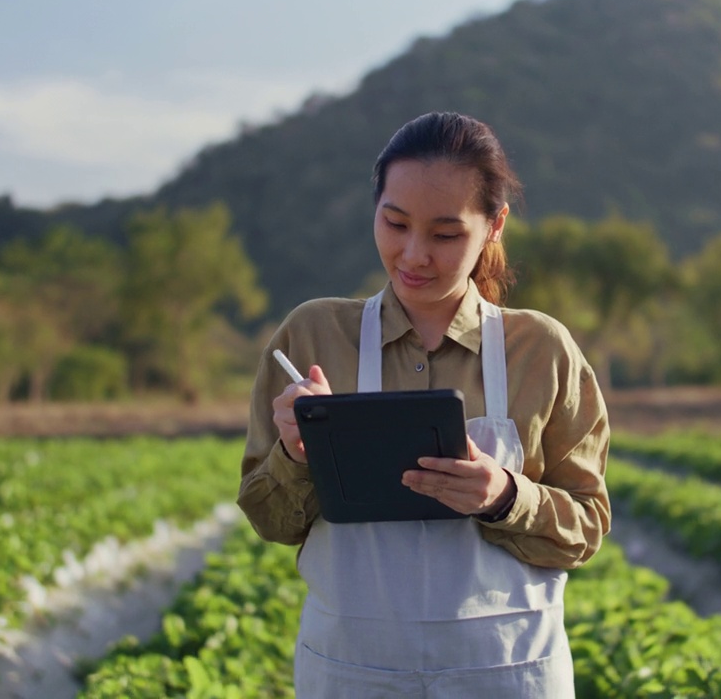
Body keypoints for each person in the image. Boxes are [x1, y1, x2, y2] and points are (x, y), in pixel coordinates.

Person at [237, 111, 610, 697]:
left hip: (505, 670)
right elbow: (269, 520)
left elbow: (586, 526)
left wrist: (505, 496)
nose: (413, 255)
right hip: (353, 670)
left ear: (494, 225)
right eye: (395, 223)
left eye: (444, 234)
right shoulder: (311, 337)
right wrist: (295, 453)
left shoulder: (541, 349)